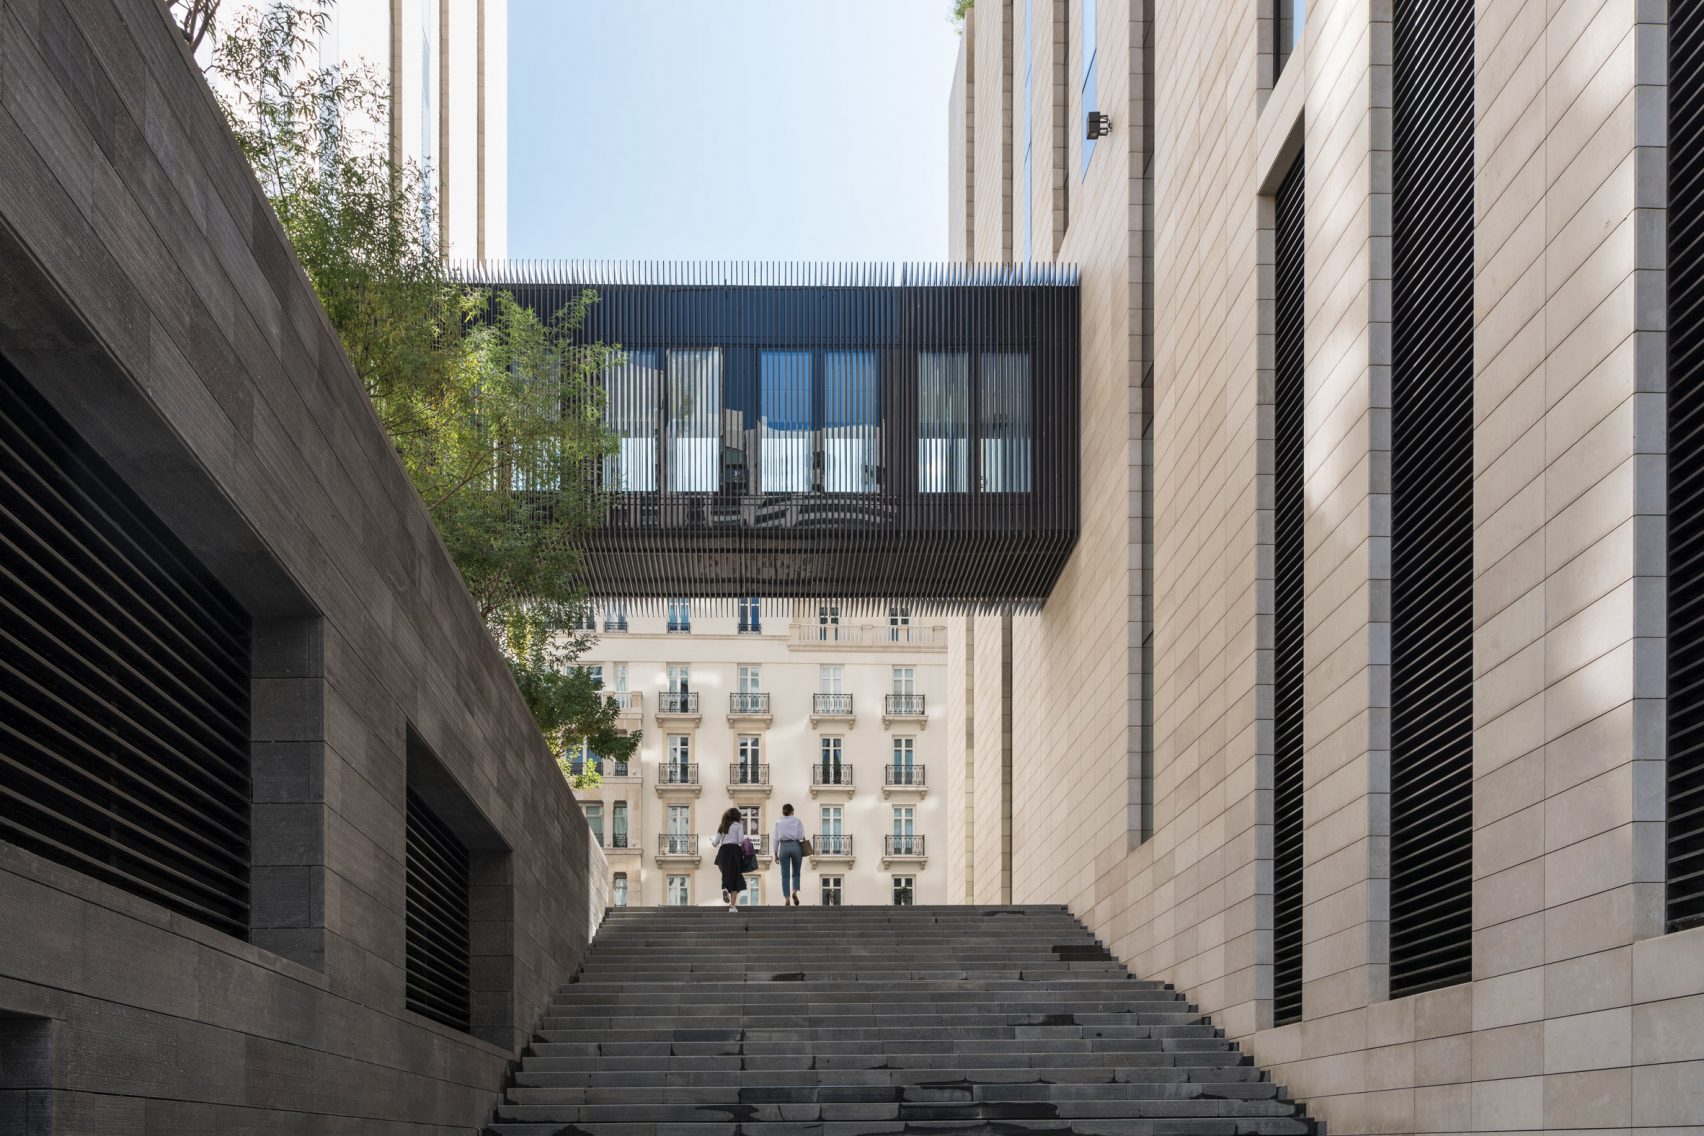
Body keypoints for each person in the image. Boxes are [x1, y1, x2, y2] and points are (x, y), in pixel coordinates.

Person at [709, 807, 746, 913]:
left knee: (726, 873)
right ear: (737, 817)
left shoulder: (722, 826)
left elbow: (716, 842)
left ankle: (725, 888)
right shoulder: (738, 826)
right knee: (735, 877)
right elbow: (741, 841)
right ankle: (732, 907)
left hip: (723, 851)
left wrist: (711, 841)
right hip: (734, 851)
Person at [772, 803, 806, 906]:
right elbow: (801, 836)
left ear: (783, 812)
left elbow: (775, 839)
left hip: (783, 847)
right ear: (792, 811)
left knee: (785, 875)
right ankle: (794, 892)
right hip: (796, 846)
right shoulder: (797, 821)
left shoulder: (778, 822)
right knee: (796, 873)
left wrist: (775, 853)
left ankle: (787, 898)